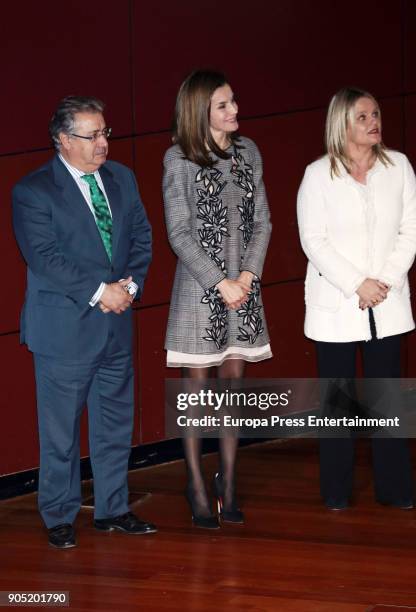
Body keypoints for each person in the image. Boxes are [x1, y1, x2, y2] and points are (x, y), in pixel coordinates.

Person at [12, 96, 156, 548]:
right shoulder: (33, 191)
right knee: (60, 433)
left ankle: (113, 509)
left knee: (114, 425)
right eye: (91, 135)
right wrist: (101, 292)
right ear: (62, 140)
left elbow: (141, 239)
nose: (102, 144)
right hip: (64, 331)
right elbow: (45, 258)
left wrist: (129, 288)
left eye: (104, 133)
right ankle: (58, 514)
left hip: (115, 326)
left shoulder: (123, 179)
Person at [297, 87, 416, 510]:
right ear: (342, 124)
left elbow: (408, 232)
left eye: (376, 114)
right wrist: (356, 284)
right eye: (363, 116)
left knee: (389, 399)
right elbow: (314, 240)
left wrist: (381, 281)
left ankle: (396, 489)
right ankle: (336, 493)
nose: (374, 122)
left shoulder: (399, 166)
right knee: (338, 403)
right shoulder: (317, 175)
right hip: (336, 304)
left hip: (388, 301)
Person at [163, 70, 272, 528]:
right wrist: (219, 282)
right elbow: (179, 233)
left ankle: (228, 482)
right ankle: (196, 485)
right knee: (196, 395)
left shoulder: (249, 152)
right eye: (224, 105)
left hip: (243, 292)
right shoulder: (178, 158)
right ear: (200, 112)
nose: (235, 111)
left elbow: (263, 220)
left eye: (234, 101)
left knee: (233, 390)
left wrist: (246, 275)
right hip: (199, 294)